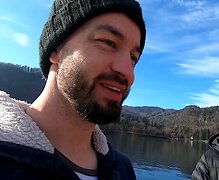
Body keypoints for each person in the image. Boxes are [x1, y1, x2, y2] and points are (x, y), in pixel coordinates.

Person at [0, 0, 146, 179]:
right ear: (56, 49)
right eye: (108, 42)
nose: (127, 71)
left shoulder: (123, 170)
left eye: (133, 57)